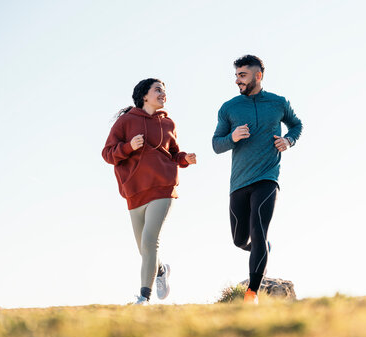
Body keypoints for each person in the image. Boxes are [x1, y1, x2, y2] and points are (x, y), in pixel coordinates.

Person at [212, 55, 303, 304]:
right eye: (237, 75)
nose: (237, 80)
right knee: (240, 239)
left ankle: (251, 293)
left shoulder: (278, 102)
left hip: (267, 178)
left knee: (259, 230)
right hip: (239, 182)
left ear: (258, 76)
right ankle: (261, 251)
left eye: (242, 75)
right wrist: (233, 137)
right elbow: (216, 145)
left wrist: (288, 140)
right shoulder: (229, 107)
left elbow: (296, 125)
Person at [102, 78, 196, 305]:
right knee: (143, 247)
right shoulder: (126, 122)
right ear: (145, 95)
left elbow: (173, 153)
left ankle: (144, 296)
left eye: (164, 91)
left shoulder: (169, 124)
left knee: (150, 240)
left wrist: (185, 159)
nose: (163, 94)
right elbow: (107, 154)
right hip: (134, 191)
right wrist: (128, 147)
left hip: (163, 186)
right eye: (158, 90)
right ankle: (161, 270)